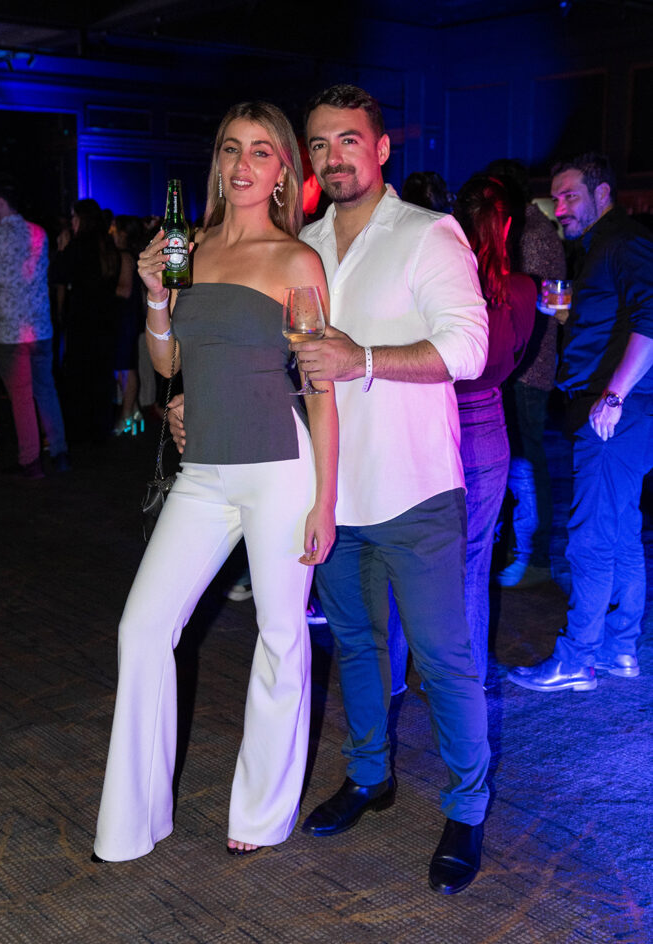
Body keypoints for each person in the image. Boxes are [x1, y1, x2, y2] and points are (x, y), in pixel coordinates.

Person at [92, 101, 338, 862]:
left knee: (280, 637)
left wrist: (326, 501)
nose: (242, 164)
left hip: (279, 470)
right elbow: (170, 363)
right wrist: (155, 296)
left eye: (261, 152)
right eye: (232, 149)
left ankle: (261, 815)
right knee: (141, 629)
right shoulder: (187, 249)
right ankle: (133, 820)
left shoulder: (297, 262)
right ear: (217, 162)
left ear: (282, 172)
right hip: (202, 473)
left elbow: (320, 387)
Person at [295, 84, 490, 896]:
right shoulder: (302, 244)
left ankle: (466, 808)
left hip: (415, 491)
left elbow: (468, 350)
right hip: (334, 491)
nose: (333, 156)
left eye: (349, 140)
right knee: (356, 646)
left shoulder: (425, 232)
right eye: (318, 143)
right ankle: (369, 775)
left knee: (444, 661)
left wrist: (363, 360)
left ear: (380, 149)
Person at [508, 152, 653, 692]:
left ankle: (578, 658)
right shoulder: (597, 246)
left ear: (603, 192)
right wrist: (568, 316)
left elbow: (651, 318)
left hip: (614, 412)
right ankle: (620, 648)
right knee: (621, 532)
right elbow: (615, 318)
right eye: (557, 197)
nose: (561, 207)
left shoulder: (624, 242)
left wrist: (613, 396)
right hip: (616, 410)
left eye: (571, 196)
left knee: (591, 538)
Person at [452, 175, 536, 683]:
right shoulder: (522, 290)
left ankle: (394, 677)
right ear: (505, 226)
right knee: (474, 560)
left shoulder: (442, 287)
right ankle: (468, 683)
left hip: (434, 418)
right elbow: (516, 358)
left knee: (410, 555)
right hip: (486, 422)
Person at [484, 159, 566, 588]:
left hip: (528, 366)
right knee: (523, 458)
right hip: (526, 362)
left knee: (526, 461)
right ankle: (526, 551)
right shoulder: (532, 231)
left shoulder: (531, 236)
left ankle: (533, 556)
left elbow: (532, 305)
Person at [0, 174, 69, 477]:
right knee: (46, 390)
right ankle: (60, 453)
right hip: (40, 327)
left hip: (8, 331)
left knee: (21, 395)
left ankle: (30, 461)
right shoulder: (39, 233)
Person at [53, 198, 120, 443]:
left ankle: (81, 429)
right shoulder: (108, 246)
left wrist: (61, 250)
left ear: (82, 219)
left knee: (80, 375)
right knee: (100, 374)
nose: (71, 222)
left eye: (74, 217)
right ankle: (100, 428)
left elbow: (58, 274)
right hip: (105, 318)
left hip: (83, 319)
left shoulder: (79, 246)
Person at [110, 214, 146, 436]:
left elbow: (124, 289)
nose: (111, 232)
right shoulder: (132, 254)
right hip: (128, 317)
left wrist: (101, 286)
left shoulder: (124, 256)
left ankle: (127, 416)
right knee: (124, 367)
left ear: (123, 233)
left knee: (125, 367)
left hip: (125, 318)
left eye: (114, 229)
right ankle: (133, 412)